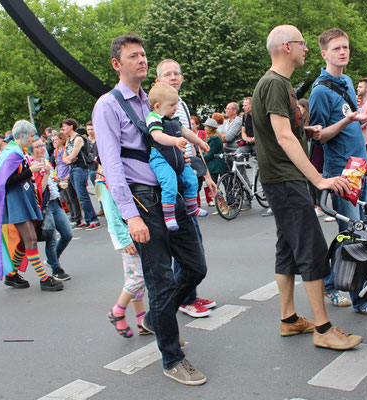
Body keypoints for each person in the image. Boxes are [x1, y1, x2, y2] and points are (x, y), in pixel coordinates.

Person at [92, 34, 207, 385]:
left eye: (143, 55)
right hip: (143, 198)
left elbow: (178, 133)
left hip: (171, 192)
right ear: (117, 64)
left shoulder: (155, 100)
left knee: (195, 267)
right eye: (133, 56)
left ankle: (158, 319)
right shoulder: (108, 106)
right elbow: (111, 165)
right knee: (157, 280)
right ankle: (172, 358)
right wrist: (130, 215)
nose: (141, 60)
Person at [252, 24, 362, 350]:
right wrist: (319, 178)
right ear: (288, 47)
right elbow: (282, 135)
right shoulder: (274, 84)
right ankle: (324, 329)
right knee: (312, 249)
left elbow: (286, 132)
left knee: (287, 249)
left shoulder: (280, 84)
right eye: (302, 44)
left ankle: (289, 319)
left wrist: (309, 132)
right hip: (286, 179)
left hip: (283, 178)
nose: (306, 49)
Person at [308, 29, 367, 316]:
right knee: (354, 236)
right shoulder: (319, 91)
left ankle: (330, 281)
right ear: (324, 53)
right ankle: (359, 298)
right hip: (341, 172)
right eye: (337, 48)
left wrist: (358, 119)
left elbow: (350, 119)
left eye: (346, 47)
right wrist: (348, 120)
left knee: (352, 233)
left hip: (358, 168)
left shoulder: (348, 81)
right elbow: (318, 137)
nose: (343, 52)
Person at [155, 58, 218, 319]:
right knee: (185, 241)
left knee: (194, 239)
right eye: (168, 74)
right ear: (158, 80)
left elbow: (191, 140)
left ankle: (189, 292)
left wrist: (207, 175)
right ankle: (185, 298)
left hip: (187, 168)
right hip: (170, 172)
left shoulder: (180, 104)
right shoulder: (156, 108)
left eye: (177, 73)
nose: (173, 77)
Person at [0, 120, 63, 291]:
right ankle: (44, 279)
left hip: (21, 198)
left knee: (24, 240)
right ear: (22, 135)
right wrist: (31, 171)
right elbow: (7, 181)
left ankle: (11, 275)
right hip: (15, 201)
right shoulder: (12, 154)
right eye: (32, 136)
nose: (33, 139)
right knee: (30, 239)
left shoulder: (15, 151)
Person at [144, 82, 210, 231]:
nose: (175, 108)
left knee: (191, 179)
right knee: (169, 183)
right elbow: (157, 136)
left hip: (177, 157)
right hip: (160, 156)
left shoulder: (174, 119)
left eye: (176, 104)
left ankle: (192, 206)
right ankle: (169, 216)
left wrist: (200, 142)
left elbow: (186, 132)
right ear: (157, 106)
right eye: (171, 105)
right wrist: (175, 141)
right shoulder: (154, 118)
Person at [96, 167, 150, 338]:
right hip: (125, 234)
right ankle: (117, 311)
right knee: (139, 276)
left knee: (132, 275)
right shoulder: (106, 180)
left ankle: (141, 320)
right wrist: (125, 239)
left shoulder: (115, 174)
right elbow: (111, 213)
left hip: (127, 231)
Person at [31, 137, 72, 281]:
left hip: (56, 203)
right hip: (45, 206)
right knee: (51, 237)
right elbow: (39, 191)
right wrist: (46, 174)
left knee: (67, 234)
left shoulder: (46, 162)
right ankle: (56, 268)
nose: (41, 148)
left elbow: (52, 184)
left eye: (42, 145)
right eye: (37, 147)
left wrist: (59, 184)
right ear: (30, 150)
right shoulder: (32, 166)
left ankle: (51, 259)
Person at [62, 118, 100, 230]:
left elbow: (73, 155)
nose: (63, 128)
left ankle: (93, 219)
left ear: (71, 126)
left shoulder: (78, 138)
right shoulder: (69, 140)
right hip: (72, 169)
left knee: (82, 195)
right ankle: (86, 219)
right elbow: (64, 157)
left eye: (65, 126)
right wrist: (68, 159)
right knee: (79, 195)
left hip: (80, 168)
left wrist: (69, 159)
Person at [52, 131, 82, 227]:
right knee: (66, 199)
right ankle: (72, 216)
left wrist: (67, 176)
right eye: (53, 140)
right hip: (60, 175)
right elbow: (57, 164)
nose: (54, 141)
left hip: (66, 174)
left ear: (61, 140)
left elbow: (69, 162)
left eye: (56, 139)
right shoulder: (56, 151)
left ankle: (77, 217)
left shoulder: (65, 149)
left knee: (72, 197)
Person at [202, 118, 227, 207]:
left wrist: (201, 158)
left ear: (210, 128)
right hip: (215, 164)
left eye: (206, 126)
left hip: (216, 164)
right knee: (217, 185)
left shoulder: (214, 139)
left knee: (216, 185)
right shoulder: (210, 138)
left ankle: (223, 203)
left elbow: (210, 154)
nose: (204, 128)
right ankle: (221, 203)